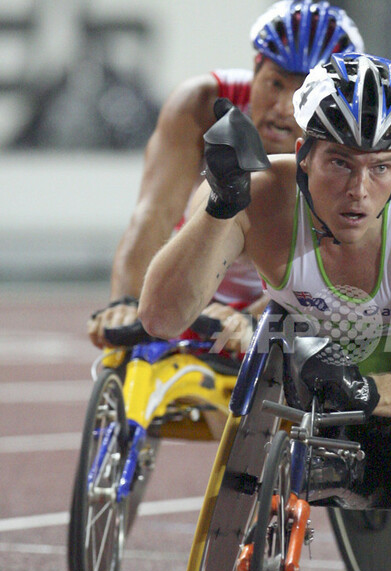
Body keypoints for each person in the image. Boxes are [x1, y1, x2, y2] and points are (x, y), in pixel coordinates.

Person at [138, 52, 391, 424]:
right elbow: (161, 319)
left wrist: (368, 390)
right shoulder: (259, 195)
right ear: (303, 155)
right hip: (295, 346)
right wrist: (220, 208)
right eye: (340, 163)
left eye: (381, 167)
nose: (359, 190)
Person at [87, 0, 364, 350]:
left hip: (287, 298)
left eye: (303, 92)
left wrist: (254, 317)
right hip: (191, 276)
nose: (282, 108)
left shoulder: (349, 138)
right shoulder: (202, 101)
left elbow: (343, 260)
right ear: (255, 68)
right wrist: (124, 303)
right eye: (275, 83)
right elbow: (154, 212)